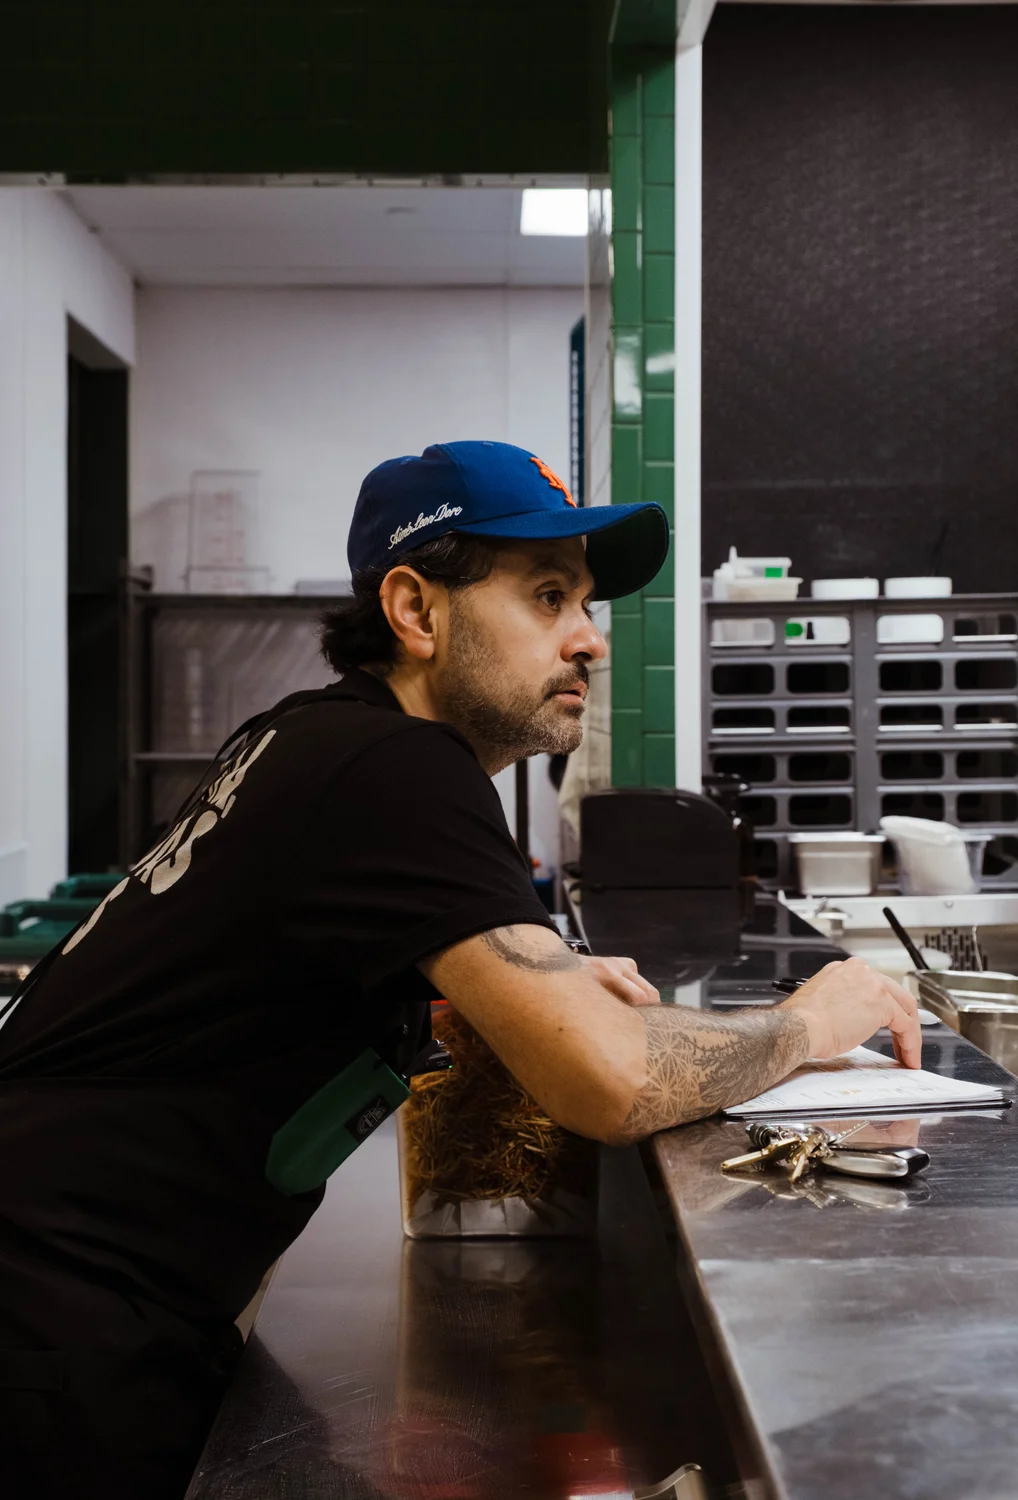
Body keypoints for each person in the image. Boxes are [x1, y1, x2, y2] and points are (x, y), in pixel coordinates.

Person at [0, 440, 921, 1498]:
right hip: (51, 1324)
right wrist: (811, 1018)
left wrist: (537, 986)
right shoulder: (398, 768)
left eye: (586, 602)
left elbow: (285, 965)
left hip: (86, 1293)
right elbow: (610, 1082)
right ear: (416, 609)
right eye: (545, 595)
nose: (589, 641)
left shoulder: (315, 738)